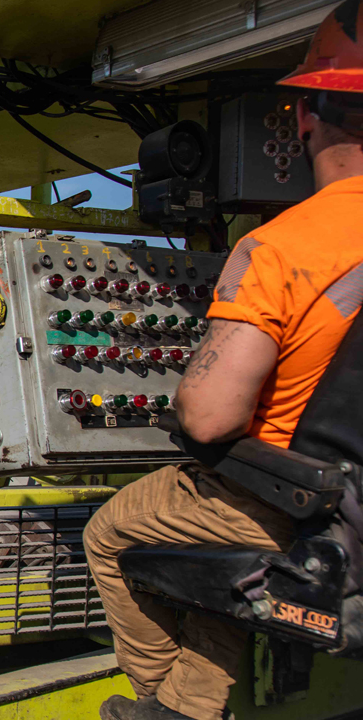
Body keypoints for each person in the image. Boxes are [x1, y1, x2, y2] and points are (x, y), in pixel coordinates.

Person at [89, 3, 363, 718]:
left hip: (319, 508)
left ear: (305, 114)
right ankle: (195, 699)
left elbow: (209, 419)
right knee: (216, 536)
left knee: (116, 528)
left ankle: (161, 705)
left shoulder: (284, 245)